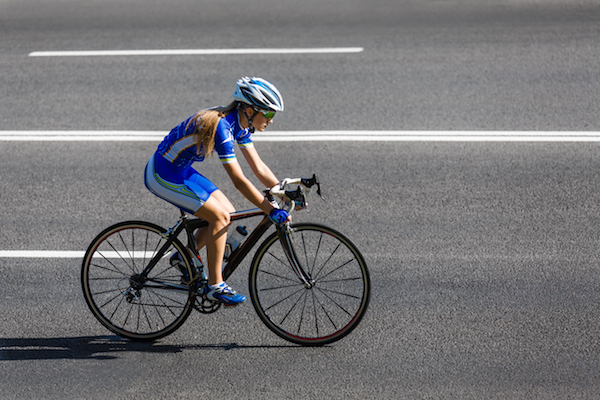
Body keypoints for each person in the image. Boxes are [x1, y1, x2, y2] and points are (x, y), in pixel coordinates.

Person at [144, 77, 290, 306]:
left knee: (227, 212)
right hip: (162, 174)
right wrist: (270, 208)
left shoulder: (239, 123)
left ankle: (183, 258)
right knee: (220, 217)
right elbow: (239, 181)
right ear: (251, 109)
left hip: (180, 169)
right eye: (269, 114)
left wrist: (285, 192)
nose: (271, 121)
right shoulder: (222, 127)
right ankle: (215, 286)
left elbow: (258, 167)